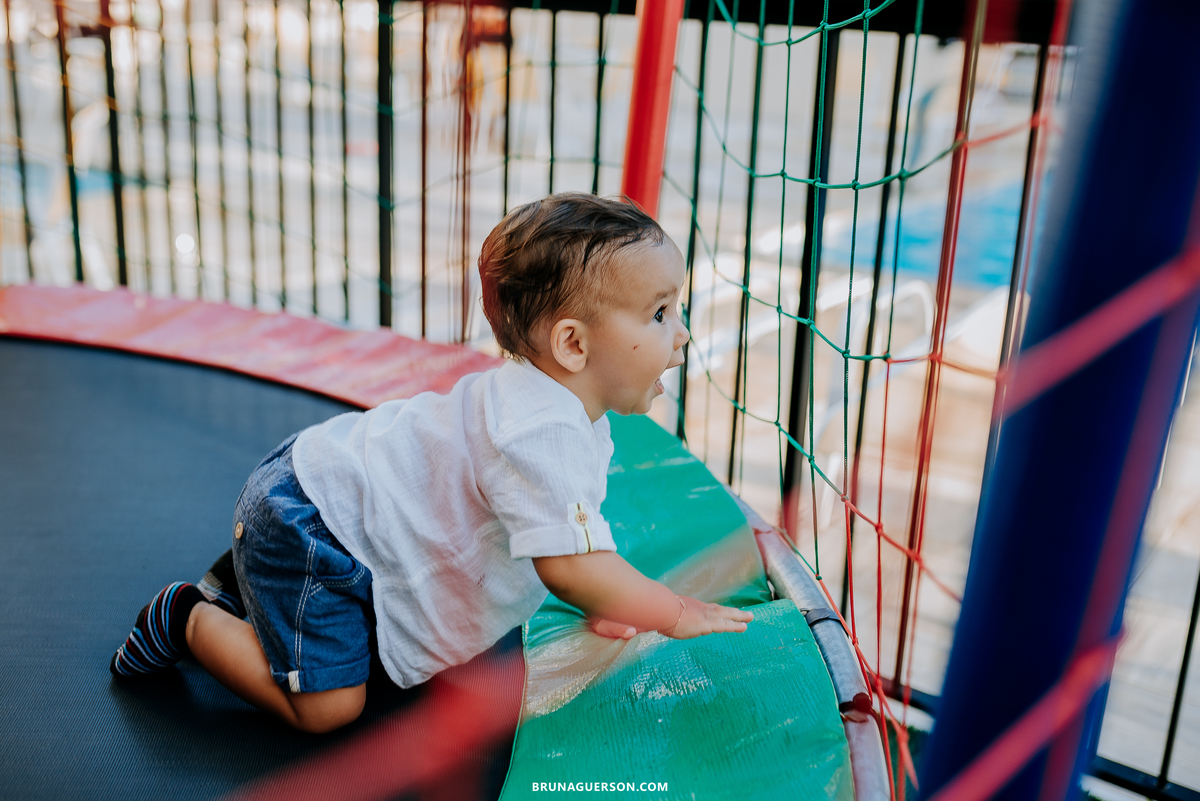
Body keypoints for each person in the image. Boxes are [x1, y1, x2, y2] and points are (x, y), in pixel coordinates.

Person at [109, 193, 754, 733]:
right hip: (309, 528)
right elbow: (572, 566)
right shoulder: (538, 429)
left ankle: (255, 589)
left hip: (331, 495)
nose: (685, 332)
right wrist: (671, 611)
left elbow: (568, 525)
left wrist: (608, 600)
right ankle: (188, 617)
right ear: (574, 343)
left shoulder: (564, 410)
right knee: (330, 710)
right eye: (661, 313)